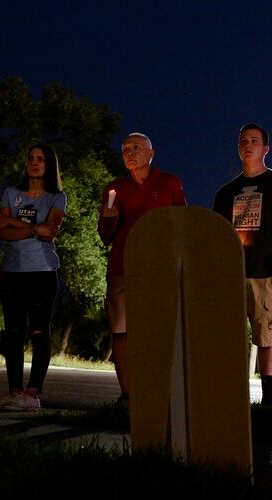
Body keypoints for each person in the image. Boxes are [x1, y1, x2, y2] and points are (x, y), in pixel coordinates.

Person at [213, 123, 272, 407]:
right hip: (233, 273)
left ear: (266, 148)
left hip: (266, 272)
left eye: (254, 140)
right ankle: (228, 393)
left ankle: (268, 398)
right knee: (227, 335)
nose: (248, 145)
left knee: (267, 335)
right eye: (243, 140)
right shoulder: (226, 193)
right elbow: (216, 234)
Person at [98, 133, 186, 402]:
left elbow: (181, 224)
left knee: (158, 330)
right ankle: (127, 393)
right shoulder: (115, 189)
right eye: (125, 149)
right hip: (122, 266)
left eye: (136, 148)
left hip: (159, 267)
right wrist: (110, 221)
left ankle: (160, 390)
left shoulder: (169, 183)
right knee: (121, 331)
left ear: (151, 153)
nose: (130, 153)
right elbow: (105, 236)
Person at [0, 144, 67, 410]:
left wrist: (18, 224)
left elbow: (50, 231)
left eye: (41, 159)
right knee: (13, 332)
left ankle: (33, 394)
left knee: (39, 331)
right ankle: (14, 391)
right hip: (12, 271)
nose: (34, 163)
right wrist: (34, 228)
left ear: (49, 165)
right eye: (31, 158)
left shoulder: (56, 197)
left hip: (42, 272)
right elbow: (1, 229)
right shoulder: (11, 193)